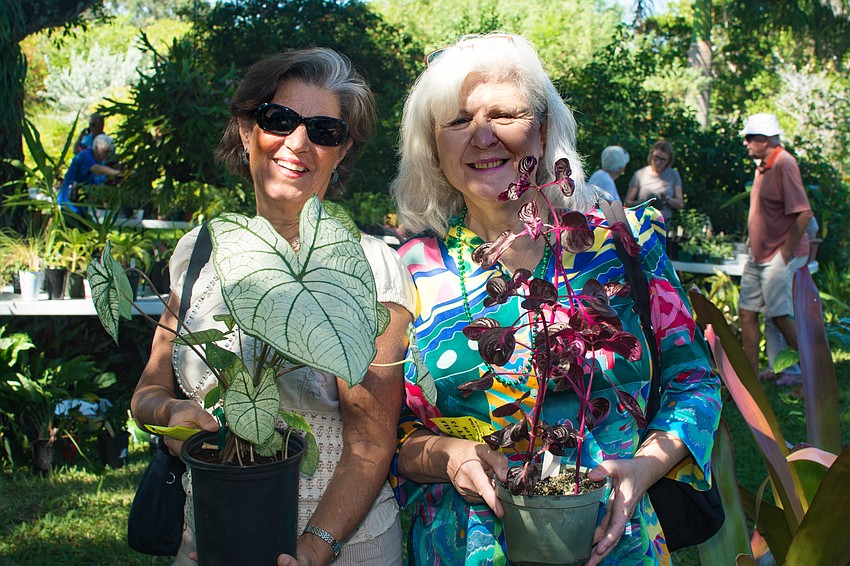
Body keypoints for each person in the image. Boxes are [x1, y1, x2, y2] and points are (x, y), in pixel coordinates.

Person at [390, 33, 721, 565]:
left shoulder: (620, 242)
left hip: (616, 544)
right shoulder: (409, 271)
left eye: (505, 114)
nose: (481, 136)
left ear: (543, 131)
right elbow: (389, 434)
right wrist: (450, 456)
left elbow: (695, 383)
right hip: (465, 548)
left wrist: (643, 469)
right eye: (457, 121)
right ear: (433, 145)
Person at [130, 48, 415, 566]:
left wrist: (312, 548)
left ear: (342, 151)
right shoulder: (200, 251)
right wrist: (172, 414)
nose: (298, 142)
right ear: (245, 129)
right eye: (279, 119)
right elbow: (149, 389)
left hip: (341, 544)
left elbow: (371, 444)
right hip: (212, 535)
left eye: (325, 131)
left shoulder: (368, 268)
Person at [738, 112, 813, 379]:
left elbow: (804, 213)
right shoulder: (763, 165)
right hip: (758, 257)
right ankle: (750, 380)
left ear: (765, 139)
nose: (745, 143)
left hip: (779, 256)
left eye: (749, 138)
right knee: (747, 313)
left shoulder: (784, 163)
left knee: (781, 317)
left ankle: (813, 376)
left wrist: (783, 255)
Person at [58, 133, 120, 213]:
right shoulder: (85, 156)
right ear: (97, 148)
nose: (108, 155)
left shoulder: (101, 161)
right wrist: (118, 173)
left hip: (85, 203)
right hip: (70, 202)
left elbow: (100, 182)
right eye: (106, 151)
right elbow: (96, 169)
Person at [624, 139, 684, 222]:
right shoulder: (640, 174)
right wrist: (645, 203)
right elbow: (627, 203)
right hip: (642, 221)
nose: (658, 162)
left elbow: (680, 203)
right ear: (651, 155)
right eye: (656, 157)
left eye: (663, 159)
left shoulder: (673, 175)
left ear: (668, 160)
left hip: (664, 222)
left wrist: (667, 199)